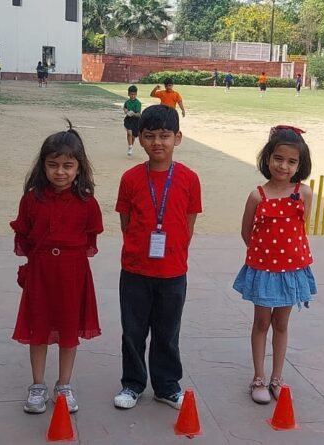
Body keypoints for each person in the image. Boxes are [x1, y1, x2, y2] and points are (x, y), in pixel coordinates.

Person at [113, 105, 202, 411]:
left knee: (167, 332)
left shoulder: (189, 178)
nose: (157, 142)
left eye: (165, 135)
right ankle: (132, 383)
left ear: (178, 138)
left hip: (173, 271)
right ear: (140, 139)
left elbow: (188, 222)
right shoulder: (131, 178)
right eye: (150, 136)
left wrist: (174, 251)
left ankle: (166, 386)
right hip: (136, 269)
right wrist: (139, 248)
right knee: (133, 331)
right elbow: (126, 222)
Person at [11, 121, 104, 415]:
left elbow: (90, 239)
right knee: (37, 328)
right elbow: (23, 237)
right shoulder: (32, 199)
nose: (60, 172)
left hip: (73, 274)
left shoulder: (87, 202)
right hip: (40, 273)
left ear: (79, 168)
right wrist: (39, 261)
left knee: (68, 329)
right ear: (43, 166)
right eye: (53, 165)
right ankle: (37, 385)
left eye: (67, 165)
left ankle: (64, 384)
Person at [234, 125, 317, 404]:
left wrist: (285, 257)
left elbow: (301, 228)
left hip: (290, 271)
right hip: (264, 271)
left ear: (300, 165)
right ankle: (258, 377)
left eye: (291, 161)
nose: (283, 166)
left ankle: (277, 377)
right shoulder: (257, 196)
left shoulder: (304, 193)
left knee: (281, 323)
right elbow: (246, 231)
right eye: (278, 158)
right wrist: (263, 256)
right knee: (261, 322)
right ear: (267, 158)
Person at [122, 85, 142, 157]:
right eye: (131, 94)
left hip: (136, 120)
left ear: (136, 94)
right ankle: (130, 147)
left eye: (134, 94)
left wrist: (133, 113)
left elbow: (139, 114)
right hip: (128, 119)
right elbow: (124, 108)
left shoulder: (138, 103)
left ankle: (130, 146)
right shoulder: (127, 102)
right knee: (129, 133)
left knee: (133, 136)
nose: (132, 96)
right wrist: (126, 111)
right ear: (128, 94)